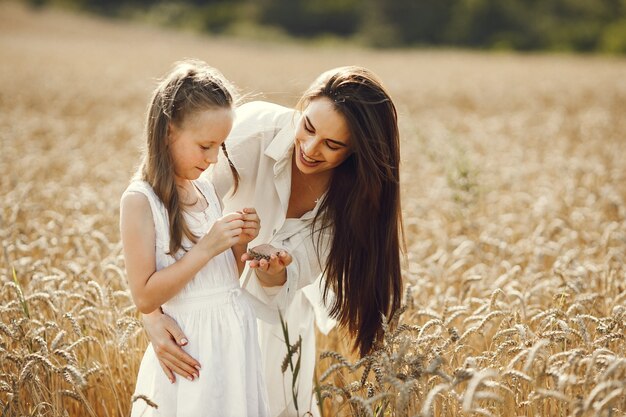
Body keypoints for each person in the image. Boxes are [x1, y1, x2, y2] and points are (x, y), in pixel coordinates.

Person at [142, 66, 404, 416]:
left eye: (332, 145)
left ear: (356, 152)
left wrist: (273, 273)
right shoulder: (248, 132)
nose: (310, 149)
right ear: (303, 107)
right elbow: (158, 206)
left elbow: (289, 283)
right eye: (308, 127)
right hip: (200, 320)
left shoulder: (353, 206)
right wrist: (152, 317)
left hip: (279, 332)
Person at [120, 59, 270, 416]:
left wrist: (239, 244)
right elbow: (144, 296)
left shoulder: (206, 190)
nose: (213, 158)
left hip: (233, 341)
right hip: (192, 346)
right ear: (169, 131)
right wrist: (206, 247)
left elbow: (224, 279)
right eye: (205, 146)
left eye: (220, 146)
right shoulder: (141, 201)